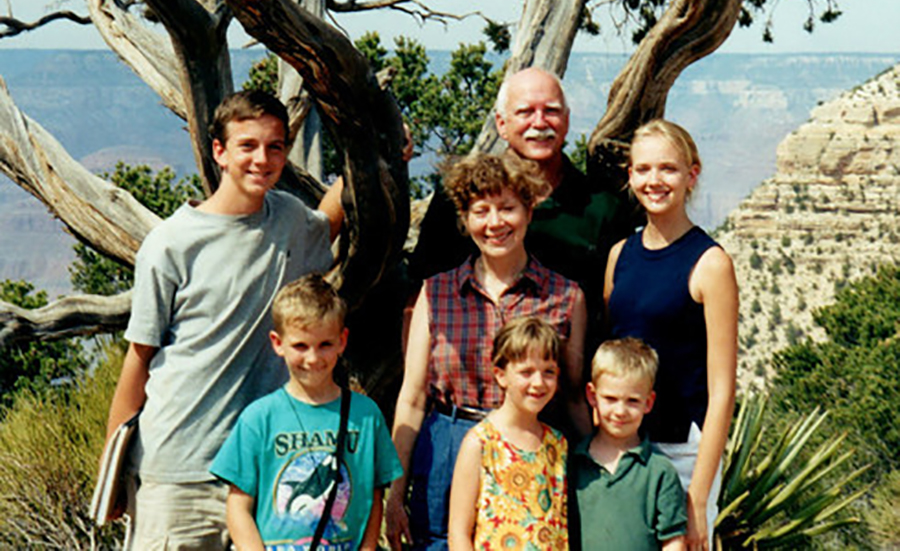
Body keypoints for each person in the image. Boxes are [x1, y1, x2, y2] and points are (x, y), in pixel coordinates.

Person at [104, 90, 341, 549]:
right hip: (178, 470)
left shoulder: (288, 220)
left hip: (261, 468)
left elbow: (326, 226)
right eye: (247, 145)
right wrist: (111, 469)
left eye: (275, 146)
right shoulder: (171, 244)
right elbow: (138, 360)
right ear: (220, 151)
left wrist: (370, 164)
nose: (262, 159)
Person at [387, 152, 587, 551]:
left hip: (531, 453)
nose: (495, 223)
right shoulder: (436, 292)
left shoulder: (565, 296)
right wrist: (395, 491)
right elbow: (411, 398)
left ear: (529, 210)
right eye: (481, 211)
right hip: (448, 444)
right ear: (465, 219)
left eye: (507, 208)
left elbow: (573, 396)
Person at [409, 67, 630, 329]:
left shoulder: (602, 206)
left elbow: (615, 308)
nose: (539, 123)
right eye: (525, 112)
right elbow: (418, 296)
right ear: (502, 124)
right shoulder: (457, 199)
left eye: (551, 111)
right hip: (468, 359)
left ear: (567, 121)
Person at [604, 119, 738, 551]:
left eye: (668, 169)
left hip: (682, 451)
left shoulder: (711, 264)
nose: (654, 180)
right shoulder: (619, 256)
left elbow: (721, 392)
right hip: (622, 444)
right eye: (643, 169)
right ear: (630, 176)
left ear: (691, 174)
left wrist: (698, 497)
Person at [210, 274, 403, 550]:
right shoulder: (258, 419)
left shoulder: (366, 415)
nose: (313, 358)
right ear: (278, 343)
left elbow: (374, 496)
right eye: (300, 346)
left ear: (342, 340)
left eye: (325, 344)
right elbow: (238, 506)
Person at [447, 316, 568, 551]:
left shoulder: (557, 443)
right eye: (526, 372)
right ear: (501, 375)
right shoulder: (480, 443)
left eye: (548, 372)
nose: (538, 382)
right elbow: (458, 533)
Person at [569, 338, 687, 551]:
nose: (620, 411)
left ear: (648, 403)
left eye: (632, 401)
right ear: (592, 395)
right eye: (610, 399)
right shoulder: (572, 464)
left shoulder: (660, 472)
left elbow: (673, 540)